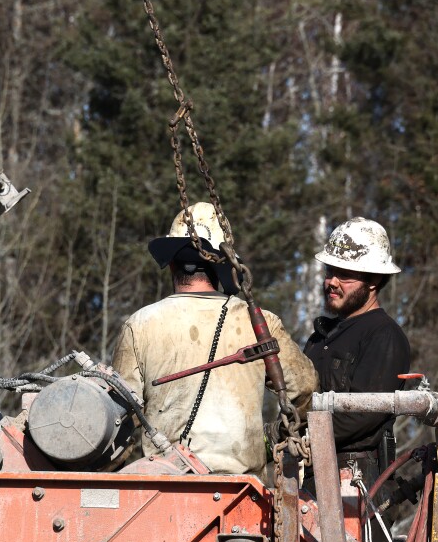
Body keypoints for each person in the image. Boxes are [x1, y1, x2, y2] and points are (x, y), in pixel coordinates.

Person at [112, 202, 316, 475]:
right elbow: (305, 389)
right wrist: (272, 437)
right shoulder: (259, 322)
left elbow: (120, 418)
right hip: (242, 490)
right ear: (224, 265)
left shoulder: (139, 325)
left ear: (171, 263)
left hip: (165, 488)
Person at [302, 217, 411, 483]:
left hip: (356, 480)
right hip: (312, 474)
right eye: (330, 271)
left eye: (345, 275)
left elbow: (363, 415)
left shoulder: (383, 335)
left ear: (374, 279)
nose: (332, 282)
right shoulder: (320, 337)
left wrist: (299, 435)